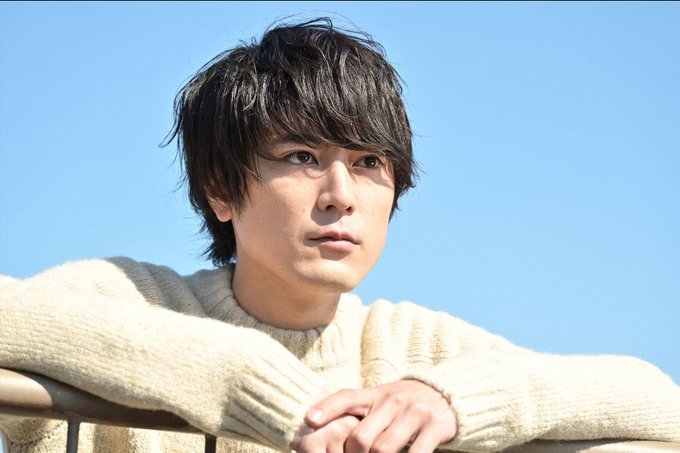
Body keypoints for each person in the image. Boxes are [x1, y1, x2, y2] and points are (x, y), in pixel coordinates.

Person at [1, 17, 679, 453]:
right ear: (219, 189)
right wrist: (246, 381)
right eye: (301, 156)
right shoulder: (132, 299)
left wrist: (454, 399)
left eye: (369, 163)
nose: (340, 195)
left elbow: (657, 401)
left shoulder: (408, 345)